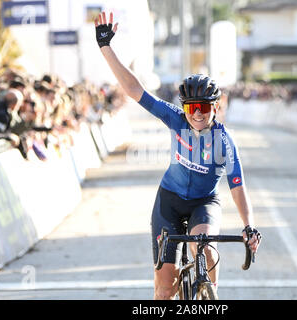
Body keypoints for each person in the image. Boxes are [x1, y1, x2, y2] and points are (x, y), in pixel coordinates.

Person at [95, 11, 262, 300]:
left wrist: (248, 225)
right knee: (164, 288)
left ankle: (210, 296)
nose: (197, 115)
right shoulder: (175, 120)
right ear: (184, 108)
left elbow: (237, 187)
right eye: (191, 108)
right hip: (169, 202)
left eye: (204, 108)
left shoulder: (224, 141)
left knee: (206, 249)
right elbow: (136, 90)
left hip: (203, 203)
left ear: (216, 108)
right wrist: (106, 48)